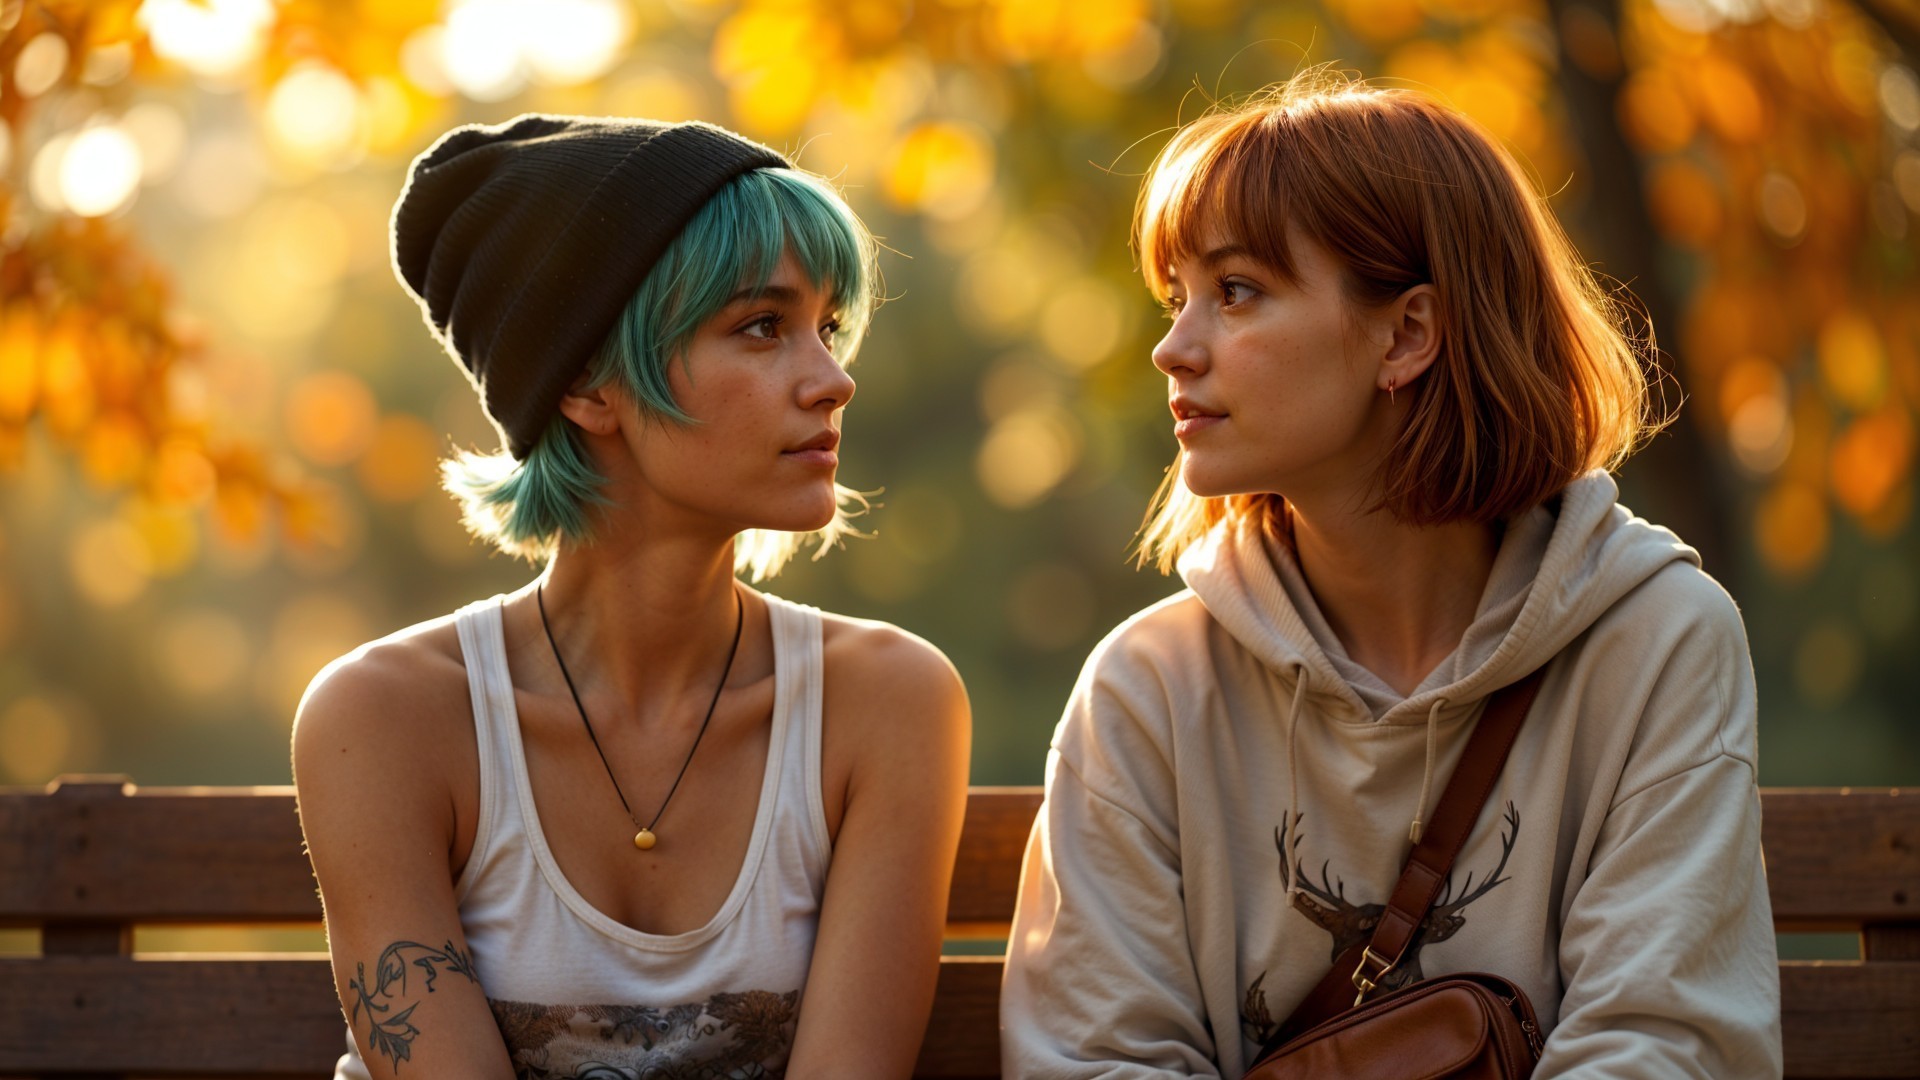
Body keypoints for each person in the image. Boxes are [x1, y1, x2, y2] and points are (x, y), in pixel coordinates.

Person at [1000, 72, 1781, 1077]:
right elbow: (1094, 1059)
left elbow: (1668, 1045)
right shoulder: (1147, 690)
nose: (1172, 349)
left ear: (1407, 334)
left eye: (1236, 291)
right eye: (1176, 297)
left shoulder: (1659, 640)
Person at [293, 115, 971, 1080]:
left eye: (825, 326)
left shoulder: (888, 704)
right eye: (762, 327)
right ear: (586, 384)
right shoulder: (385, 719)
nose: (833, 380)